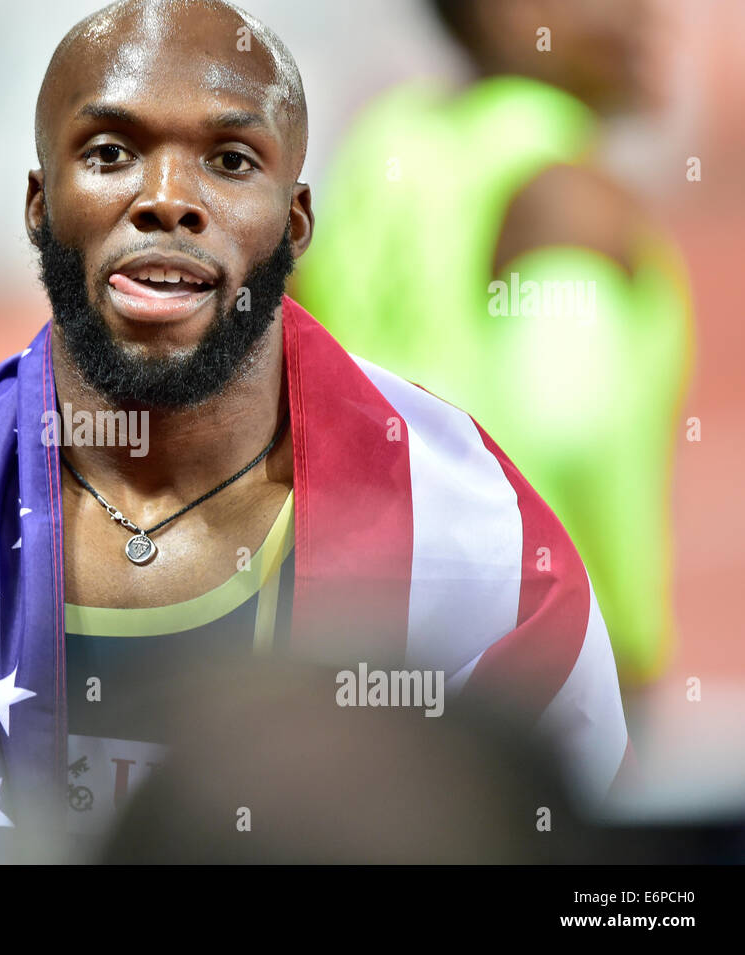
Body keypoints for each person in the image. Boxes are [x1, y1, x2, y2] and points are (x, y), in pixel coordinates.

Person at [0, 0, 630, 865]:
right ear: (40, 207)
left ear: (296, 220)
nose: (167, 200)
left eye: (228, 159)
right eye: (110, 152)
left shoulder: (478, 543)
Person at [294, 0, 692, 687]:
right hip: (537, 667)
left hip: (363, 640)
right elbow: (571, 427)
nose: (646, 13)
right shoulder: (564, 192)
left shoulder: (382, 148)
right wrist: (615, 647)